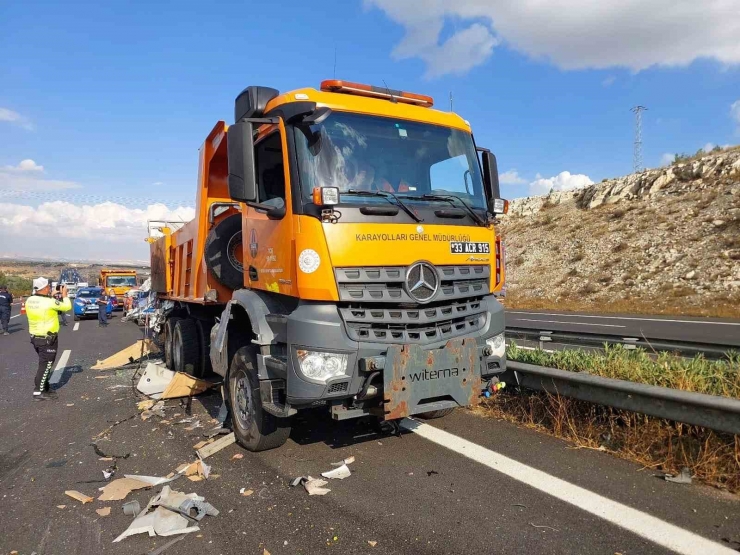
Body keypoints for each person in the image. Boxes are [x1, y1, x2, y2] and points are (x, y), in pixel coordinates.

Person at [26, 277, 71, 400]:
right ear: (45, 288)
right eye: (49, 287)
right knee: (46, 365)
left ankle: (44, 387)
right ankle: (38, 392)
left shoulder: (30, 300)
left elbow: (44, 304)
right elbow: (66, 307)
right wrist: (65, 294)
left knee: (43, 363)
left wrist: (50, 296)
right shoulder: (49, 302)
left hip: (36, 337)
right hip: (47, 339)